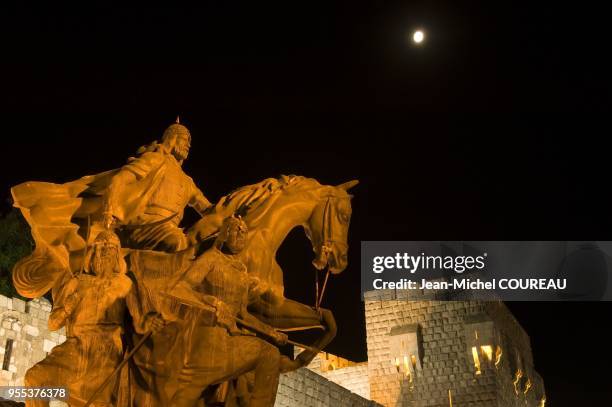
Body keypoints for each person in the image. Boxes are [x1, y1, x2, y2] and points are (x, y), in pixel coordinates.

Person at [24, 230, 165, 407]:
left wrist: (150, 321)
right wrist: (67, 307)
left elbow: (139, 322)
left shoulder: (125, 285)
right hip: (76, 347)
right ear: (93, 253)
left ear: (117, 255)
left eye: (112, 249)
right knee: (34, 378)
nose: (106, 252)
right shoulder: (78, 282)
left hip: (107, 352)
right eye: (102, 248)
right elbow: (53, 324)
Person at [168, 215, 287, 407]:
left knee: (270, 353)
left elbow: (243, 315)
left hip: (231, 338)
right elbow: (178, 288)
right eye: (236, 231)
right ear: (224, 234)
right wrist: (210, 300)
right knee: (188, 391)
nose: (241, 236)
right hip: (209, 334)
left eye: (244, 233)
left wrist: (271, 332)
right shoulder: (211, 258)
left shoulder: (241, 270)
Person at [103, 118, 213, 252]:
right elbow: (120, 179)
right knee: (178, 242)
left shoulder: (187, 181)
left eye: (190, 142)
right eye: (185, 140)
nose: (188, 145)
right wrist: (109, 209)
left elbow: (208, 210)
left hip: (170, 229)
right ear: (172, 139)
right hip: (142, 225)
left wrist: (235, 207)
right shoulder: (155, 159)